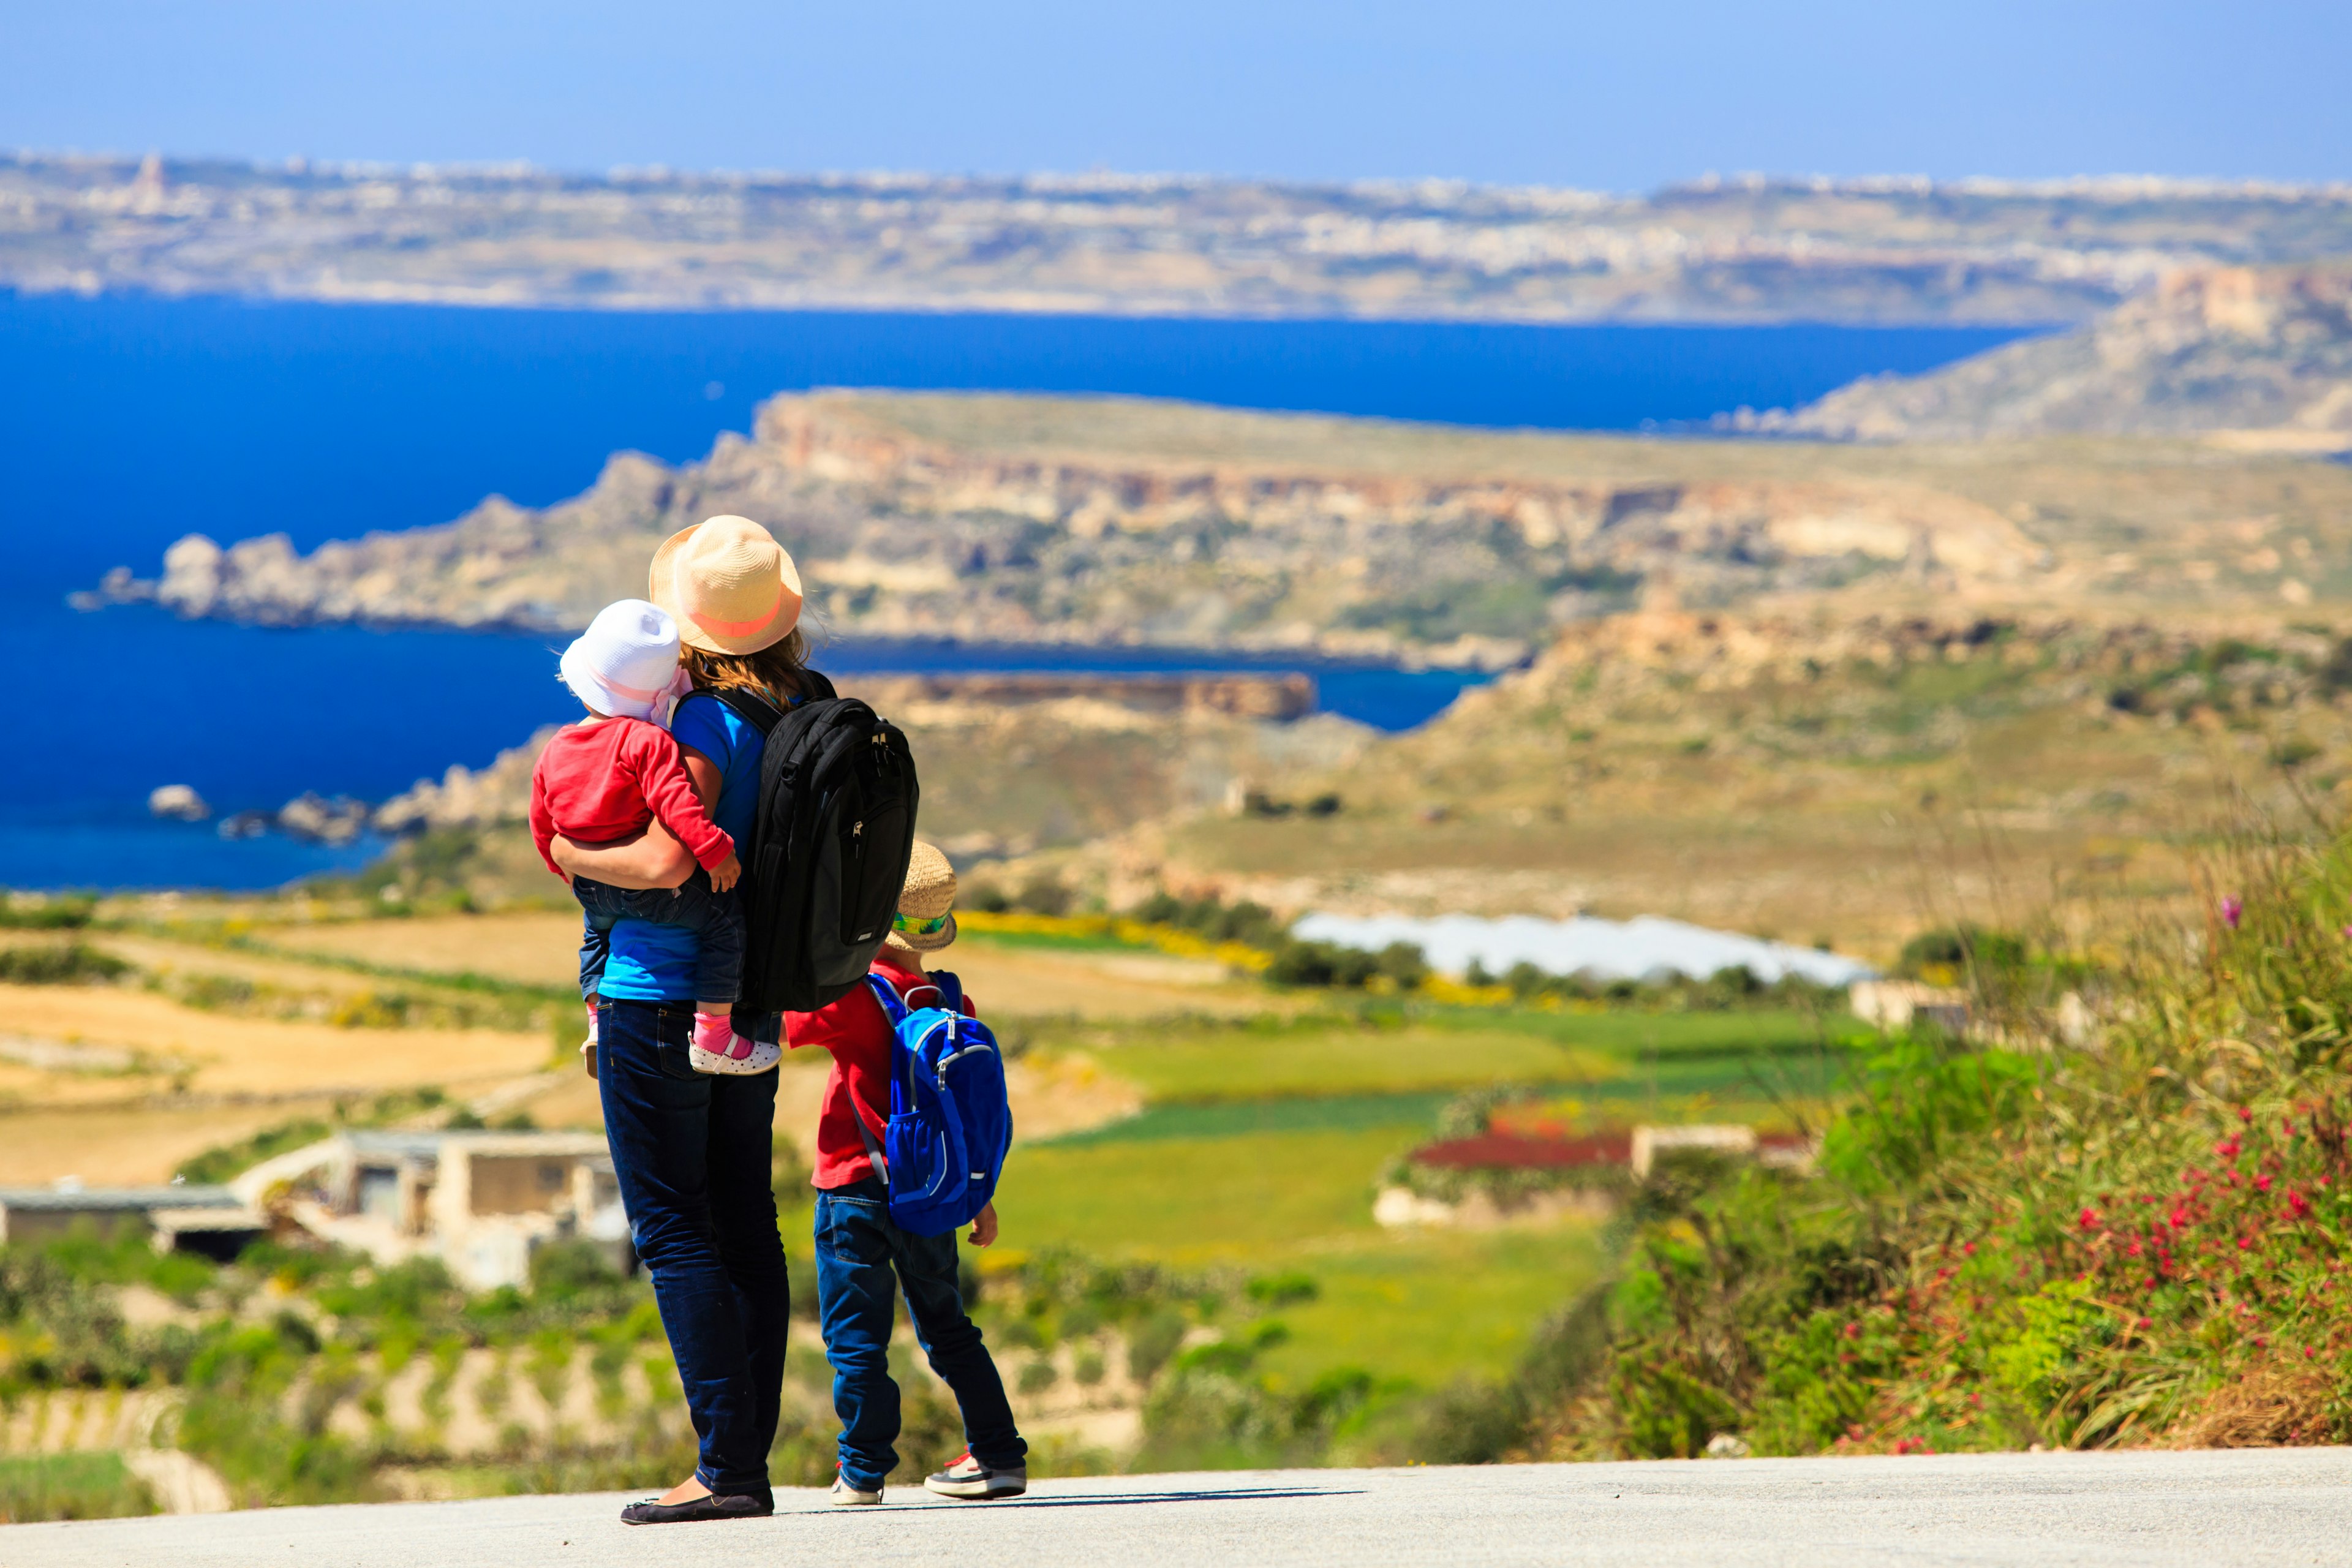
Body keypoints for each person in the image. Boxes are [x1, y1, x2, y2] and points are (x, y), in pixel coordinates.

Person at [545, 516, 811, 1525]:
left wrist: (573, 858)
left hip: (659, 1000)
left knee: (674, 1231)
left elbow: (667, 862)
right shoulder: (797, 705)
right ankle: (744, 1455)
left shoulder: (702, 723)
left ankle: (726, 1468)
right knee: (749, 1221)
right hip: (747, 997)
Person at [785, 841, 1028, 1505]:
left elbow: (778, 1029)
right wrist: (979, 1198)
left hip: (852, 1188)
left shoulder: (851, 996)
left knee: (856, 1339)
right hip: (933, 1192)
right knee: (949, 1328)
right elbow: (967, 1114)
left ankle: (862, 1472)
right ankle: (999, 1454)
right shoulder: (953, 1000)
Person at [529, 598, 768, 1076]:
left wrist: (563, 867)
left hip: (591, 886)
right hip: (655, 893)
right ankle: (715, 1035)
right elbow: (679, 806)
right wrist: (717, 851)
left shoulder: (556, 747)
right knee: (724, 921)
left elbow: (543, 822)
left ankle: (596, 1019)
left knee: (596, 936)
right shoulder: (649, 741)